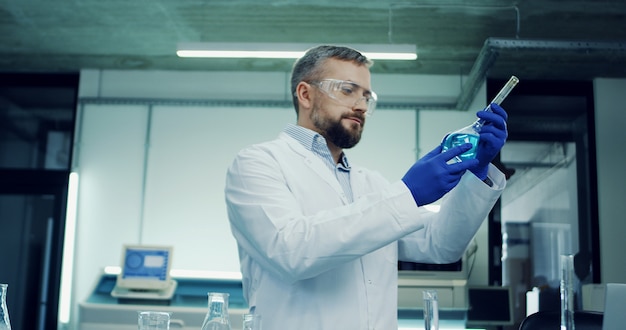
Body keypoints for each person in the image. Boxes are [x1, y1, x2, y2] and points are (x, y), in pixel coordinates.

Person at [224, 45, 508, 329]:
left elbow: (440, 245)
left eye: (366, 96)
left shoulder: (370, 184)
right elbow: (290, 251)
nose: (360, 106)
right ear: (305, 94)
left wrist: (477, 173)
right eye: (347, 90)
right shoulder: (258, 163)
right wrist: (407, 194)